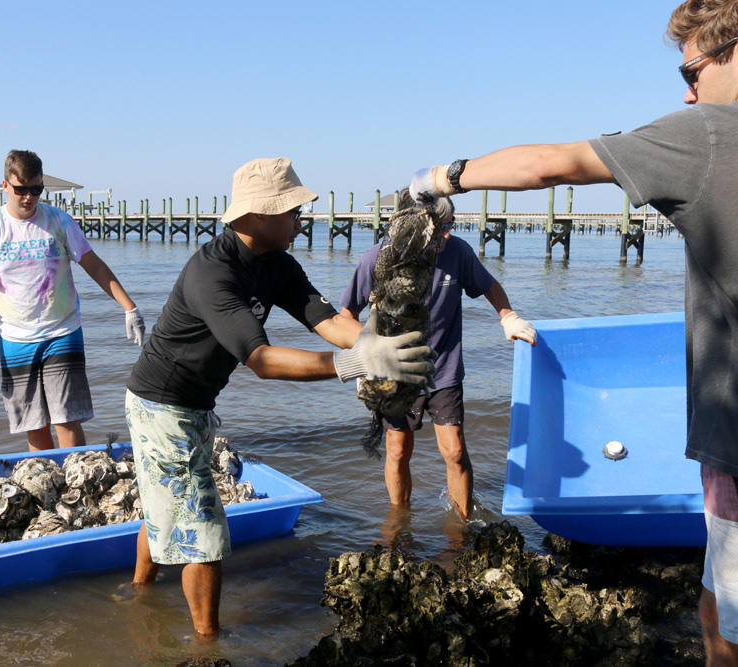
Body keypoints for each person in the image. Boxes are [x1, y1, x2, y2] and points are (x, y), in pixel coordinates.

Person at [407, 1, 738, 660]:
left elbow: (549, 164)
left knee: (722, 617)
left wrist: (444, 175)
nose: (687, 89)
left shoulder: (707, 133)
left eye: (693, 70)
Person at [122, 157, 437, 639]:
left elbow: (327, 320)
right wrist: (353, 366)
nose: (300, 219)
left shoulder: (277, 265)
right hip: (161, 404)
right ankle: (208, 646)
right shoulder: (213, 272)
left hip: (197, 403)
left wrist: (375, 344)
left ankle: (139, 590)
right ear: (258, 215)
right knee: (203, 534)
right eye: (292, 211)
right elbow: (262, 360)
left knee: (168, 501)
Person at [340, 196, 536, 520]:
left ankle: (461, 526)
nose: (446, 235)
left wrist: (508, 316)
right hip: (397, 372)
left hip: (443, 368)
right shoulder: (376, 258)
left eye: (450, 226)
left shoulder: (457, 252)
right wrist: (363, 352)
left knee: (456, 452)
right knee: (398, 451)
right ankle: (399, 524)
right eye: (441, 228)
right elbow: (346, 313)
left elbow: (489, 285)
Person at [0, 149, 145, 452]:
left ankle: (79, 478)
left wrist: (130, 308)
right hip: (15, 339)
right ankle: (48, 483)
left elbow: (94, 265)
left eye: (36, 189)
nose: (28, 197)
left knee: (67, 419)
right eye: (21, 189)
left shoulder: (59, 221)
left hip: (62, 331)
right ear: (5, 185)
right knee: (34, 425)